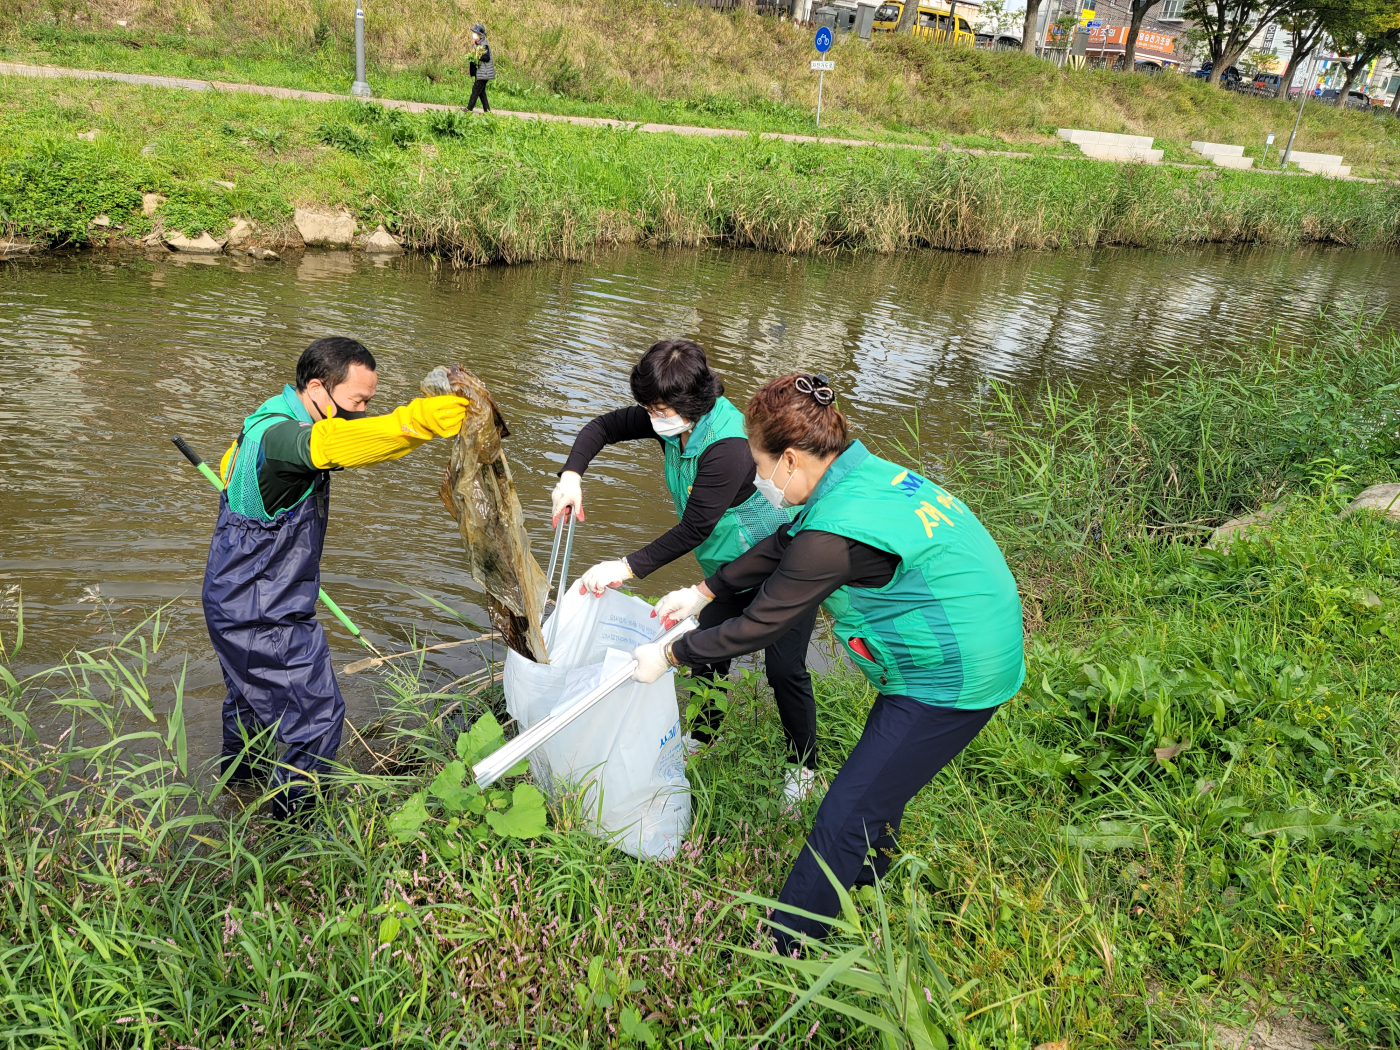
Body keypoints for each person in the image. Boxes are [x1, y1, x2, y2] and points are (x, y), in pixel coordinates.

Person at [631, 374, 1025, 952]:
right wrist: (704, 591)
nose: (756, 478)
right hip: (976, 634)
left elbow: (761, 625)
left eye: (760, 465)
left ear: (790, 459)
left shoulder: (833, 536)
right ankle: (867, 876)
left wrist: (669, 653)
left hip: (954, 672)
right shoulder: (857, 475)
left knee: (846, 811)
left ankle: (786, 947)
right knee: (881, 781)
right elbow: (783, 542)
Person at [204, 337, 469, 819]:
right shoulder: (286, 440)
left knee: (252, 706)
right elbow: (327, 445)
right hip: (266, 615)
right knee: (316, 721)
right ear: (316, 388)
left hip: (231, 599)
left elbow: (241, 470)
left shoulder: (263, 419)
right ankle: (295, 834)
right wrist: (416, 422)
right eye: (357, 401)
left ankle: (238, 796)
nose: (362, 411)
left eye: (368, 401)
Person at [551, 339, 820, 800]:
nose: (651, 417)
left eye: (659, 409)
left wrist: (624, 567)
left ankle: (804, 766)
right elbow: (603, 426)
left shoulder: (729, 447)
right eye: (648, 408)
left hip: (782, 565)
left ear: (691, 403)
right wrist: (572, 475)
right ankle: (703, 736)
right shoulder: (669, 420)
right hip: (725, 567)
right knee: (706, 649)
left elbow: (696, 526)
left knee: (784, 670)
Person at [466, 24, 495, 113]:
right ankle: (487, 111)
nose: (474, 34)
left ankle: (469, 109)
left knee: (475, 90)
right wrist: (470, 68)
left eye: (475, 32)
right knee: (481, 93)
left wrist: (479, 56)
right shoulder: (476, 45)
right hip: (480, 73)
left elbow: (487, 58)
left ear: (480, 35)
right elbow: (473, 59)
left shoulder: (484, 45)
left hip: (484, 73)